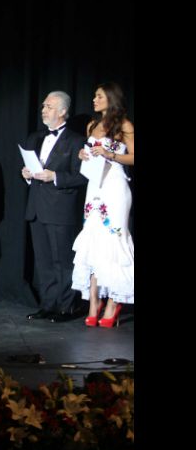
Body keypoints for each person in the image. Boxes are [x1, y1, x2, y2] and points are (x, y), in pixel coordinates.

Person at [21, 91, 87, 323]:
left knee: (63, 261)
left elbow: (81, 177)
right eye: (43, 106)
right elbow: (30, 168)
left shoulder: (77, 140)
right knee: (44, 261)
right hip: (37, 207)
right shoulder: (35, 137)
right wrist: (27, 174)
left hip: (60, 208)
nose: (43, 110)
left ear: (62, 111)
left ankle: (66, 306)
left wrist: (55, 176)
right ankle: (47, 305)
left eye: (49, 106)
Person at [72, 82, 134, 327]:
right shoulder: (92, 125)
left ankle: (113, 302)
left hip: (115, 185)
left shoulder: (124, 125)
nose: (94, 99)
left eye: (99, 96)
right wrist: (82, 155)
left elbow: (133, 156)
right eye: (94, 95)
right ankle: (93, 302)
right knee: (94, 239)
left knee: (113, 237)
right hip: (94, 185)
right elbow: (89, 151)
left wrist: (112, 155)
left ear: (110, 98)